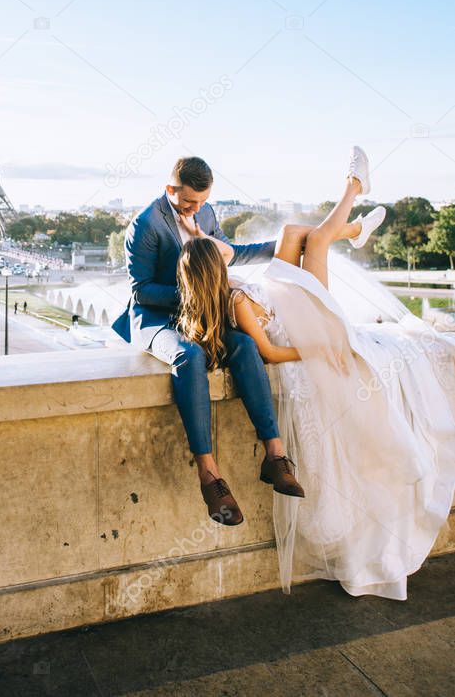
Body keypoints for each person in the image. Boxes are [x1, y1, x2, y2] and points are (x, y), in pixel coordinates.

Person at [177, 146, 455, 599]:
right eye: (215, 250)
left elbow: (199, 256)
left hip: (284, 301)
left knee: (291, 230)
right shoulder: (237, 302)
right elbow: (267, 352)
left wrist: (193, 229)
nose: (221, 248)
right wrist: (314, 350)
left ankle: (356, 226)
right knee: (317, 241)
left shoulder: (215, 286)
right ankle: (354, 188)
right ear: (215, 268)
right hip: (305, 322)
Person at [112, 156, 305, 527]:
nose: (196, 211)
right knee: (188, 356)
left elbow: (227, 256)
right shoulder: (145, 225)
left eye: (202, 203)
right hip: (157, 316)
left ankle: (275, 454)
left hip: (201, 313)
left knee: (246, 346)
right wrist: (195, 295)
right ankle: (210, 475)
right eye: (188, 204)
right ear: (171, 190)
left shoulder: (206, 212)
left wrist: (282, 246)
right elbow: (141, 292)